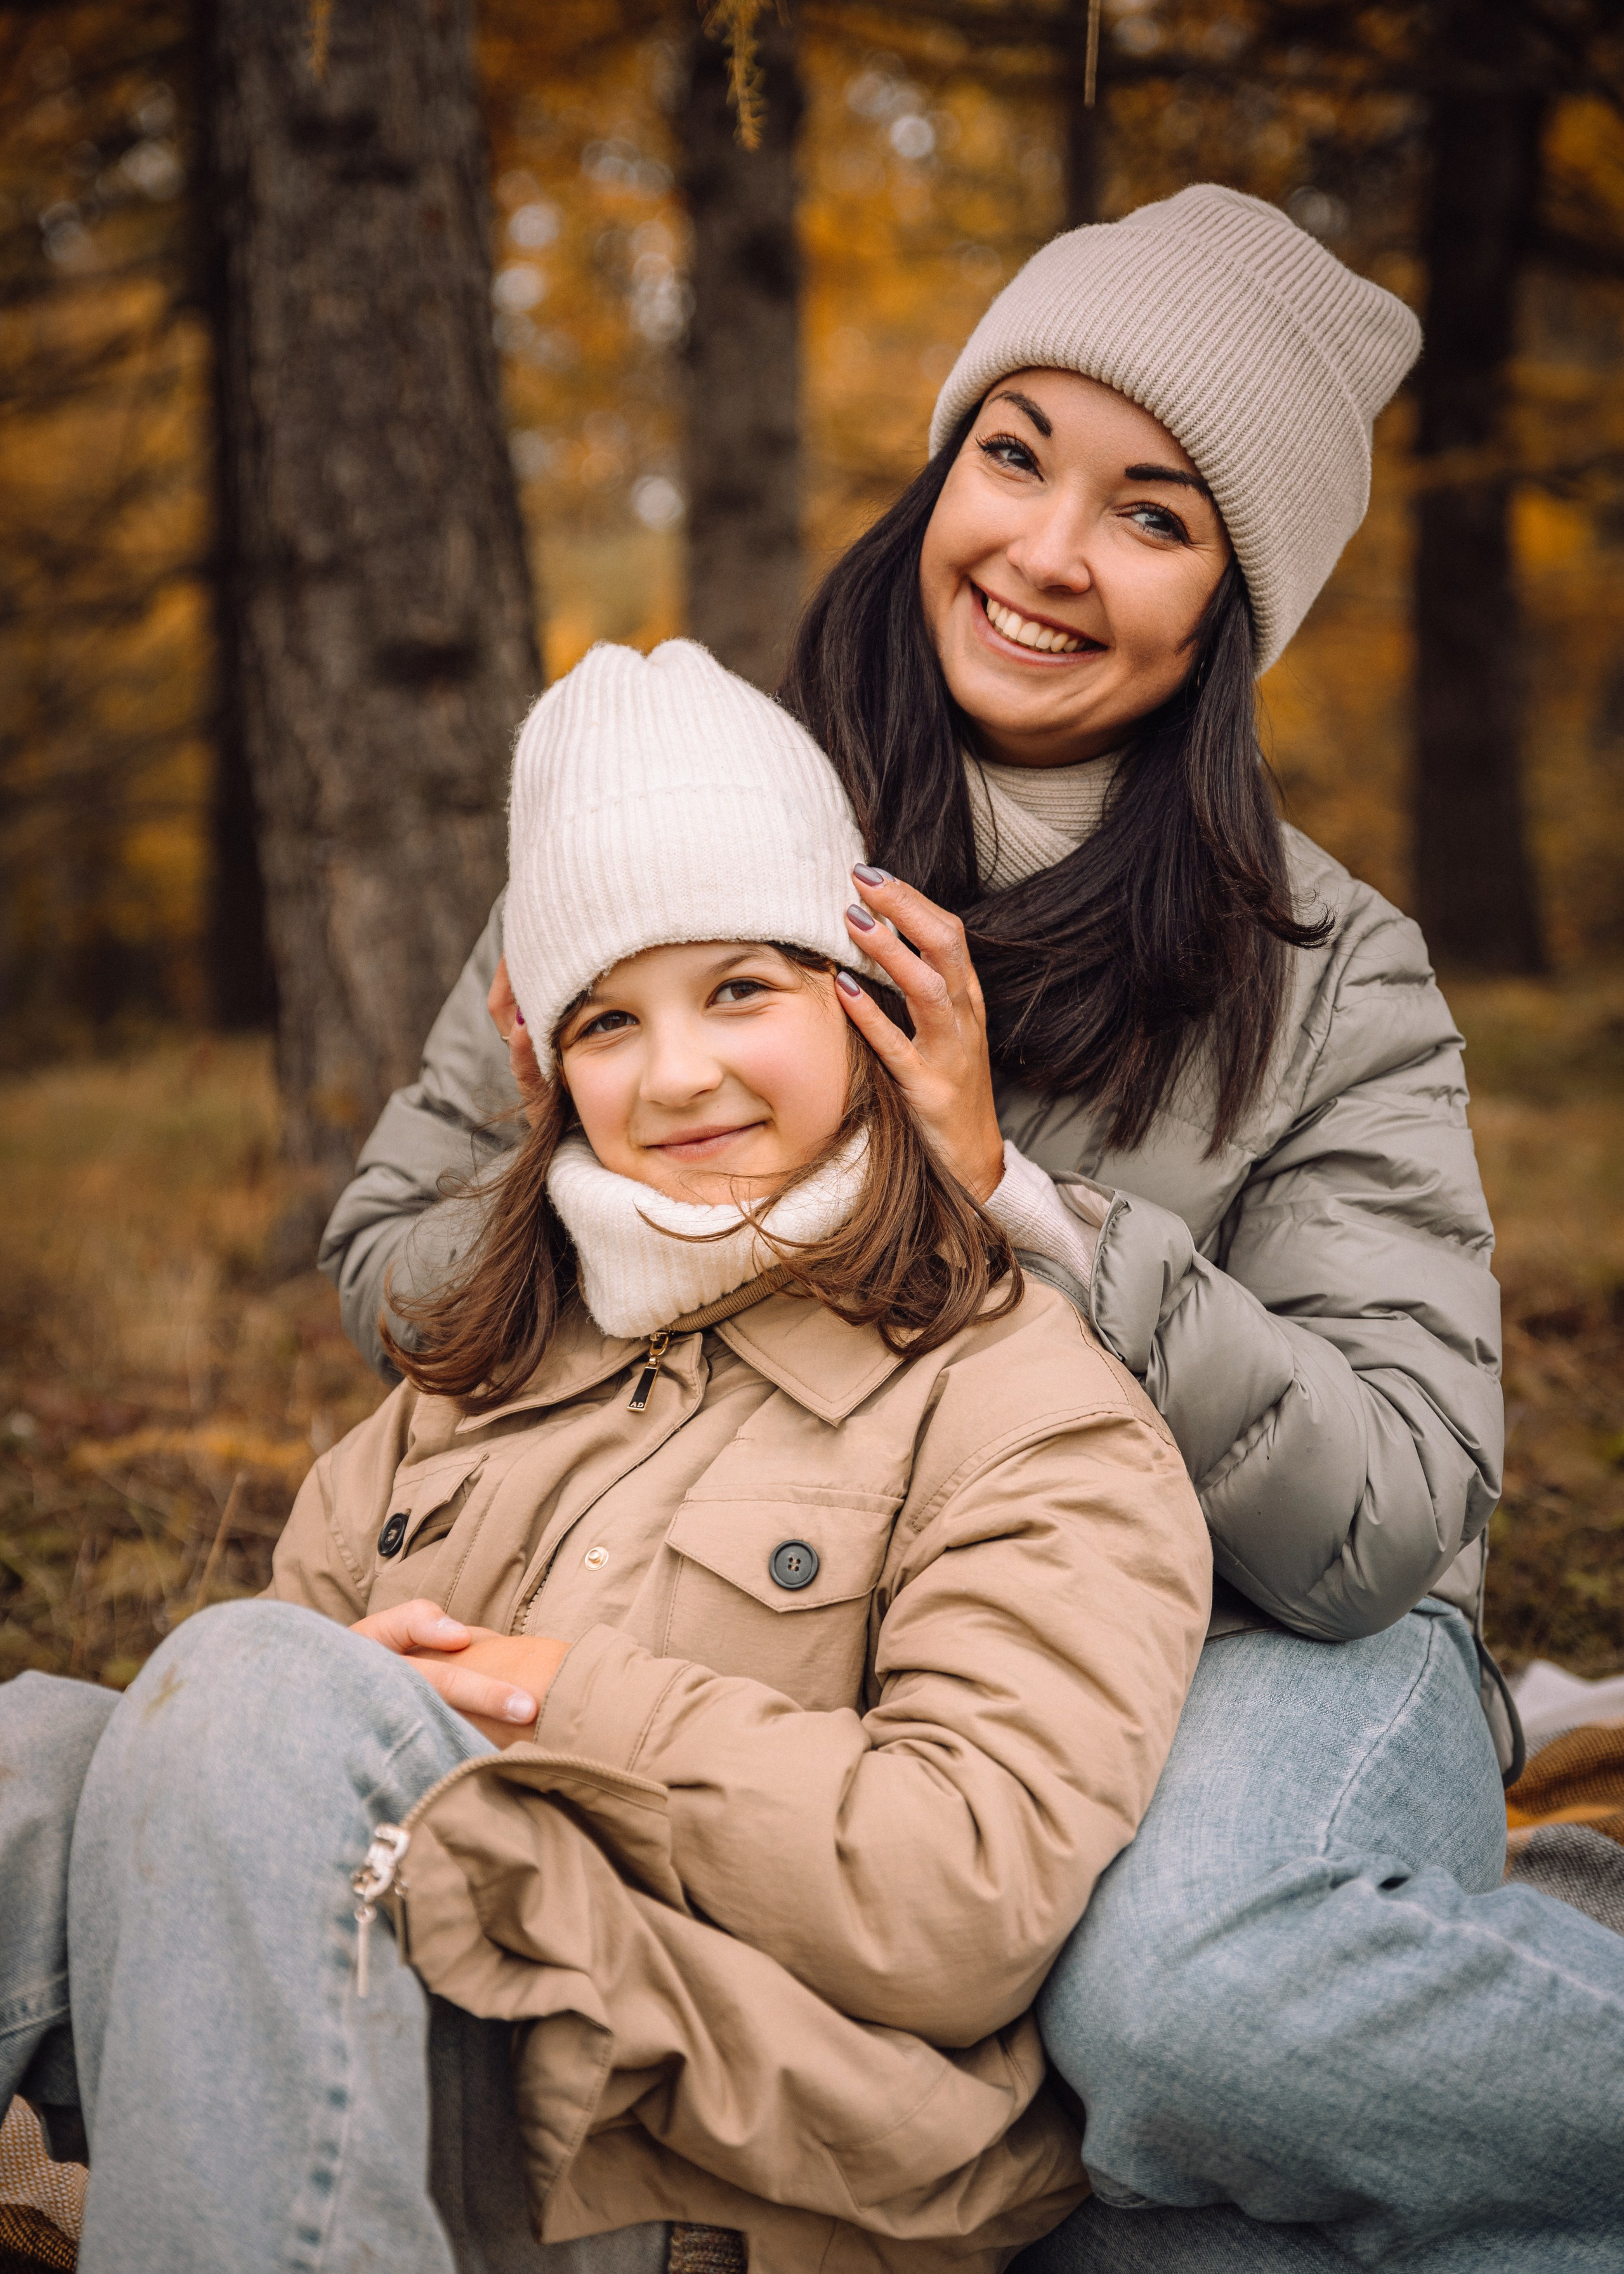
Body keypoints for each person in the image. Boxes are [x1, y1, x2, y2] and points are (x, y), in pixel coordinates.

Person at [324, 187, 1624, 2268]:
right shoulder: (692, 818)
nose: (1043, 551)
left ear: (1229, 606)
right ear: (943, 466)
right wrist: (596, 1163)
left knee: (1177, 2016)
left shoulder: (1331, 971)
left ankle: (1445, 1941)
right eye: (1012, 453)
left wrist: (1016, 1194)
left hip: (1253, 1644)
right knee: (1040, 2167)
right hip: (810, 1620)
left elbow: (1388, 1515)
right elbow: (395, 1260)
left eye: (1153, 512)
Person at [0, 640, 1211, 2274]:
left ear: (865, 1002)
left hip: (704, 2169)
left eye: (741, 991)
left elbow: (964, 1905)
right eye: (611, 1023)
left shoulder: (1018, 1401)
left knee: (259, 1701)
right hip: (397, 2033)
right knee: (34, 1764)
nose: (680, 1075)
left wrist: (545, 1695)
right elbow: (238, 1782)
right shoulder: (467, 1385)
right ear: (552, 1071)